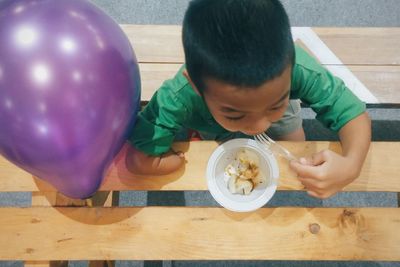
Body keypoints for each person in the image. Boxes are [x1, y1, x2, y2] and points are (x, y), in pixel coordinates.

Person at [125, 0, 371, 199]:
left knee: (294, 142)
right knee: (215, 142)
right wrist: (175, 163)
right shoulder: (178, 96)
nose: (260, 126)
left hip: (259, 113)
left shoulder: (294, 67)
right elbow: (139, 160)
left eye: (275, 103)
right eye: (235, 113)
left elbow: (352, 113)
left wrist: (351, 164)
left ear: (291, 63)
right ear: (195, 85)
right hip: (207, 122)